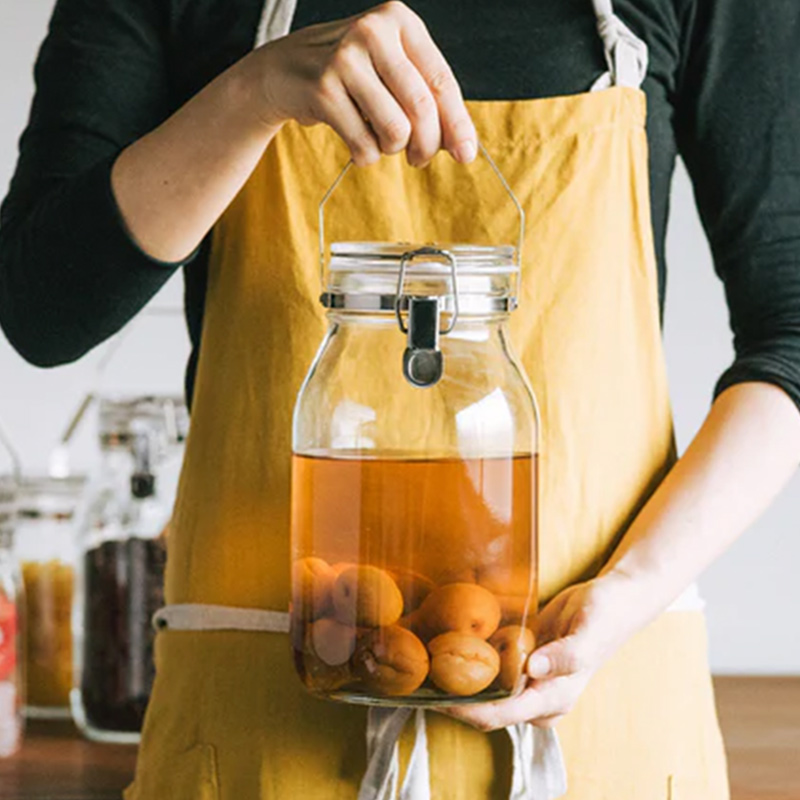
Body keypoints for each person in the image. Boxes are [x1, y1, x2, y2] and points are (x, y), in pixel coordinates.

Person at [1, 0, 799, 797]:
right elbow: (42, 310)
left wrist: (627, 594)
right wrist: (251, 96)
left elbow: (791, 335)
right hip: (260, 739)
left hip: (596, 721)